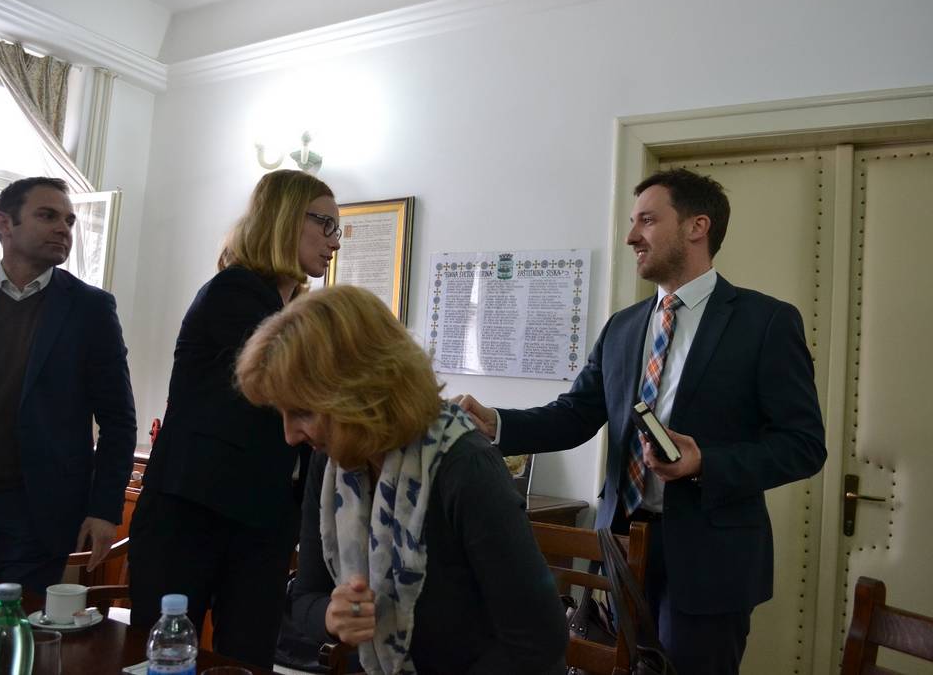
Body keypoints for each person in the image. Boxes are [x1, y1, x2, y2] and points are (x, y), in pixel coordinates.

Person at [456, 168, 826, 675]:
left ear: (697, 226)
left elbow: (803, 445)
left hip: (710, 561)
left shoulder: (765, 322)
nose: (631, 236)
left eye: (647, 221)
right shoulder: (623, 326)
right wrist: (497, 423)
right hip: (621, 546)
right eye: (633, 222)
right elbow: (575, 415)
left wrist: (704, 462)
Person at [236, 285, 568, 675]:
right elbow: (307, 595)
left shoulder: (465, 468)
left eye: (303, 413)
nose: (290, 435)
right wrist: (332, 615)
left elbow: (539, 641)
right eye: (282, 413)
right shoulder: (332, 464)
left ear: (360, 393)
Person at [128, 169, 341, 666]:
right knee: (169, 660)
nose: (334, 241)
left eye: (337, 229)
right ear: (284, 218)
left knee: (248, 660)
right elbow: (298, 383)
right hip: (192, 514)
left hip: (261, 520)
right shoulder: (236, 292)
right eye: (325, 224)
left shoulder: (291, 309)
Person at [0, 176, 137, 591]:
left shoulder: (91, 309)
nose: (63, 229)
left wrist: (105, 508)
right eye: (48, 216)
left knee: (17, 626)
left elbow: (118, 419)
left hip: (38, 516)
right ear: (4, 224)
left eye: (69, 221)